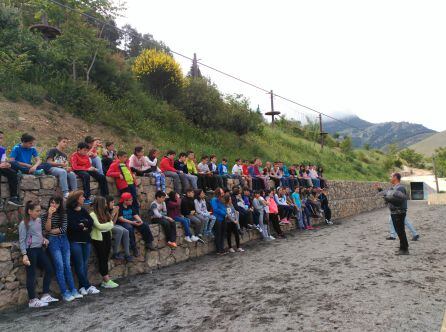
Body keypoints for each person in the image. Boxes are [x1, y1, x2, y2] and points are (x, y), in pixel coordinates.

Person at [41, 196, 82, 302]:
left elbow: (63, 229)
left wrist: (50, 231)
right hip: (53, 242)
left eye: (56, 203)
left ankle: (73, 289)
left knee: (67, 266)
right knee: (59, 266)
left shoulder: (63, 215)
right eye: (52, 203)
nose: (53, 205)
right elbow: (46, 230)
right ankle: (64, 292)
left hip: (64, 240)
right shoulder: (45, 216)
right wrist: (49, 215)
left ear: (60, 205)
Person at [19, 201, 58, 308]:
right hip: (30, 251)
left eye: (40, 210)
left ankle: (45, 295)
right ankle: (32, 300)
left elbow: (38, 234)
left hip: (40, 249)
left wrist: (44, 239)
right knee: (31, 275)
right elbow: (22, 241)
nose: (39, 213)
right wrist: (24, 254)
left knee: (50, 269)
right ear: (29, 211)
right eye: (37, 211)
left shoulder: (39, 220)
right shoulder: (24, 224)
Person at [66, 191, 100, 295]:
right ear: (76, 199)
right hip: (75, 241)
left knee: (85, 264)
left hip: (86, 240)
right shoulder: (69, 212)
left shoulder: (84, 210)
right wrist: (83, 225)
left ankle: (81, 287)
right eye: (82, 197)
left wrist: (83, 224)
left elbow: (91, 222)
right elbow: (72, 226)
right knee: (79, 265)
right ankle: (87, 286)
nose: (84, 198)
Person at [376, 173, 409, 255]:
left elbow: (400, 200)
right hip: (395, 212)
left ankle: (404, 249)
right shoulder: (394, 188)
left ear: (395, 177)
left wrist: (388, 199)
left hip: (399, 212)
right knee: (399, 231)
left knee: (400, 231)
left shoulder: (400, 188)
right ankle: (403, 247)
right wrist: (381, 190)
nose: (390, 178)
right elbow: (389, 195)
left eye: (391, 177)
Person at [90, 196, 119, 289]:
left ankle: (105, 279)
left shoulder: (105, 213)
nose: (106, 205)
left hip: (107, 236)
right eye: (105, 203)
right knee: (102, 257)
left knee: (106, 257)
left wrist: (107, 225)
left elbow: (111, 224)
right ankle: (106, 279)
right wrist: (108, 225)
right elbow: (99, 226)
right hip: (99, 238)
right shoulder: (93, 214)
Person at [106, 195, 132, 261]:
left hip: (112, 224)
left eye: (114, 202)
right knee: (120, 230)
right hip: (106, 226)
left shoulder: (112, 209)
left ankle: (127, 254)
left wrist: (117, 212)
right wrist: (113, 213)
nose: (113, 204)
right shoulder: (105, 210)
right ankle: (115, 253)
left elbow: (114, 222)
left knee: (126, 231)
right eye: (112, 202)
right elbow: (109, 223)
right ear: (107, 203)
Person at [0, 130, 21, 206]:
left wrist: (6, 164)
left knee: (12, 172)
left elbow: (2, 162)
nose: (0, 140)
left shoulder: (2, 149)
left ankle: (13, 197)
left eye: (1, 138)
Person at [211, 188, 227, 255]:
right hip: (217, 218)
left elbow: (224, 207)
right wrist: (223, 213)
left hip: (222, 218)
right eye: (221, 192)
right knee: (218, 234)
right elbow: (215, 209)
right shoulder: (214, 200)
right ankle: (218, 249)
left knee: (222, 233)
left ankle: (222, 248)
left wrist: (225, 212)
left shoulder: (222, 199)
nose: (223, 193)